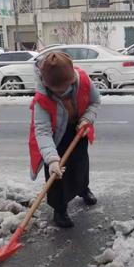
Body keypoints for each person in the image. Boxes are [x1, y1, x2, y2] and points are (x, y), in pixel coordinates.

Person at [29, 51, 100, 228]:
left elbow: (95, 101)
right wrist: (52, 159)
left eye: (65, 88)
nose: (61, 92)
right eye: (57, 90)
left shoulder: (83, 80)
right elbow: (43, 131)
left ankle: (83, 189)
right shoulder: (42, 99)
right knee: (57, 175)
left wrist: (86, 119)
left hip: (78, 129)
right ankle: (59, 210)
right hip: (54, 137)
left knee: (81, 164)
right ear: (46, 83)